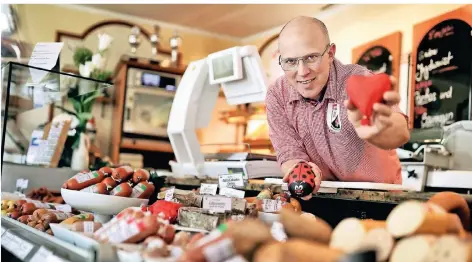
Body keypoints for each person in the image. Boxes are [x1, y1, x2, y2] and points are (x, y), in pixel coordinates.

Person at [265, 16, 410, 194]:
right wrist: (302, 170)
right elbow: (289, 152)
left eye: (311, 57)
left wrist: (380, 131)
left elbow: (401, 132)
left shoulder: (359, 81)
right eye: (290, 61)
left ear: (330, 53)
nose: (302, 72)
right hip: (322, 196)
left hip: (378, 197)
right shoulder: (277, 95)